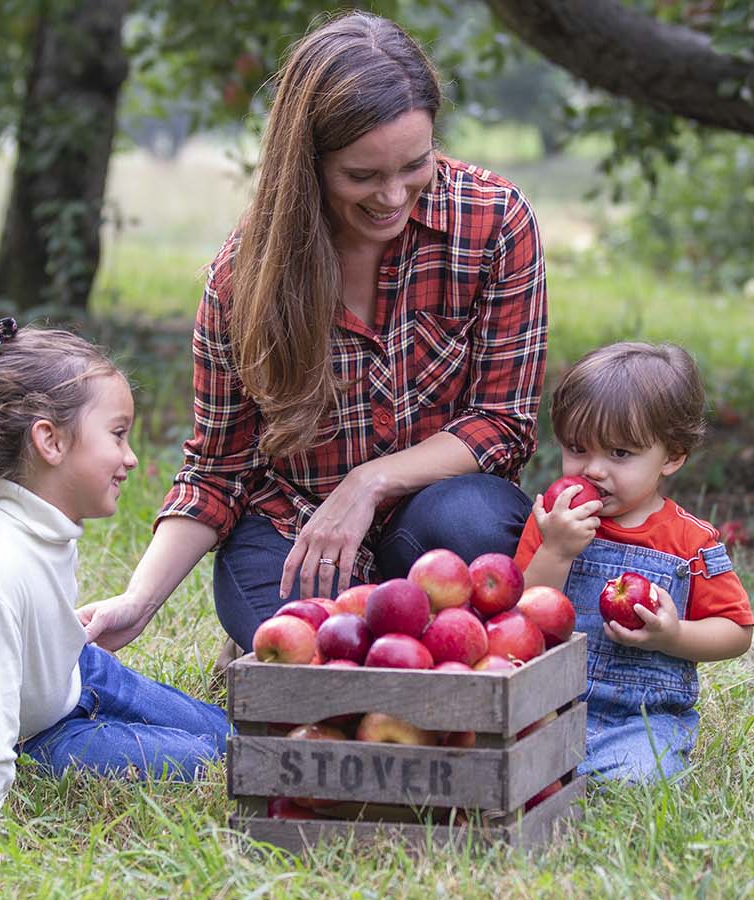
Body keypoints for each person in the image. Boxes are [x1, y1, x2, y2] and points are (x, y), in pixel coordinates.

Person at [84, 12, 548, 654]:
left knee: (473, 522)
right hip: (297, 525)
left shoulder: (493, 222)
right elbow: (218, 470)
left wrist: (370, 482)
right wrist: (137, 602)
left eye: (414, 164)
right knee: (312, 643)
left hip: (434, 518)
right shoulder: (244, 281)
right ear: (308, 163)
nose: (393, 196)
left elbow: (503, 422)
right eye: (362, 176)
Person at [0, 319, 231, 820]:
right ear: (51, 442)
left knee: (228, 733)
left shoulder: (41, 526)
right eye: (118, 434)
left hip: (73, 675)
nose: (129, 458)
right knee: (214, 761)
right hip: (37, 736)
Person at [514, 342, 754, 782]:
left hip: (641, 720)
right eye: (577, 448)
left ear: (673, 456)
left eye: (620, 454)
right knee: (506, 767)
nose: (594, 470)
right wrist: (556, 550)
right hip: (550, 706)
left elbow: (736, 632)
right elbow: (522, 614)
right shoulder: (554, 521)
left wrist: (674, 635)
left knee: (637, 776)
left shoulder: (690, 541)